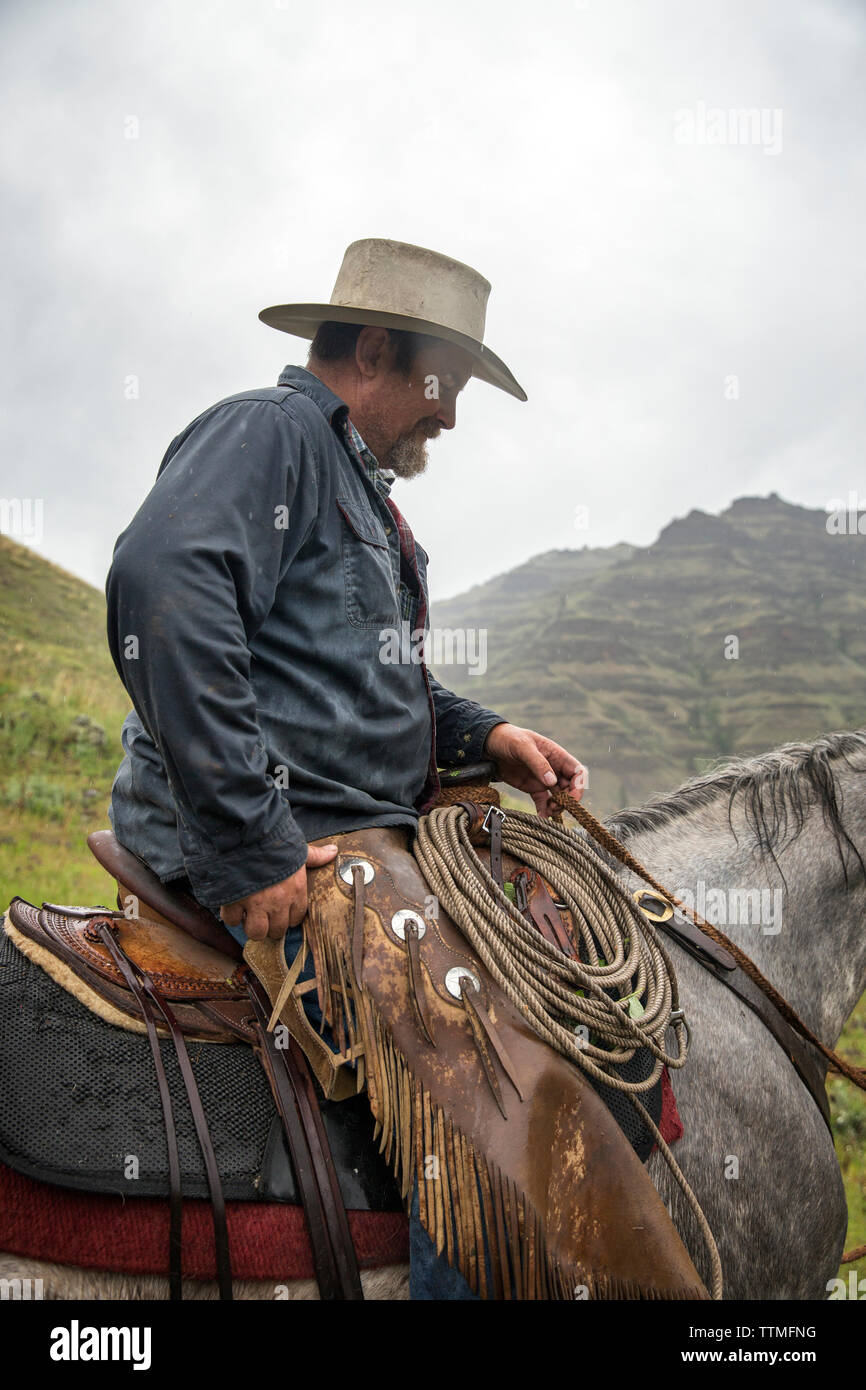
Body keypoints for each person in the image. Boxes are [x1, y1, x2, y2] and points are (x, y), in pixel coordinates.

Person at [105, 238, 585, 1297]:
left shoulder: (357, 489)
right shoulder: (270, 434)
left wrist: (486, 735)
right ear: (373, 349)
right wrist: (248, 838)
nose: (448, 417)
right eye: (440, 385)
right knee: (482, 1096)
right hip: (286, 838)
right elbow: (162, 588)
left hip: (355, 832)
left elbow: (358, 683)